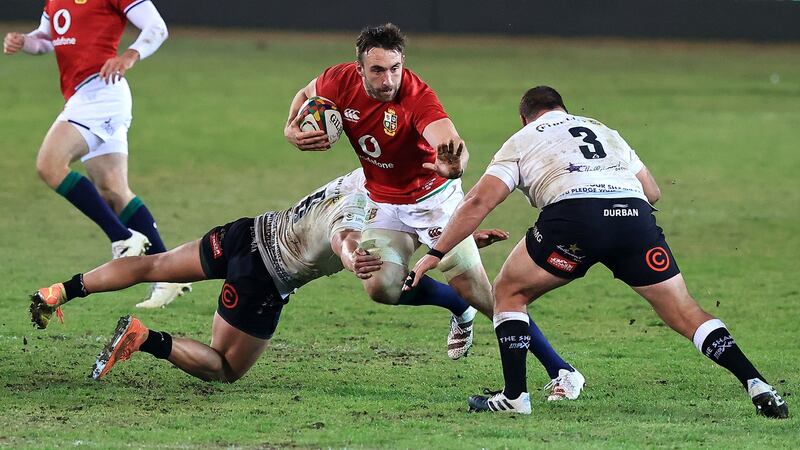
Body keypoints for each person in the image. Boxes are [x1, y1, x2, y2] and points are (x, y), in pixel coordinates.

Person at [406, 86, 789, 418]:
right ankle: (756, 383)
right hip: (633, 219)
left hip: (576, 220)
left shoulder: (522, 140)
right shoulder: (604, 130)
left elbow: (477, 203)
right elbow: (652, 192)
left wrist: (436, 252)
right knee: (686, 312)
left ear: (525, 118)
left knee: (509, 291)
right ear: (564, 109)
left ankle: (515, 397)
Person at [283, 24, 584, 399]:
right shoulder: (338, 81)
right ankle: (454, 304)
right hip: (384, 200)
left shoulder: (416, 97)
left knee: (486, 297)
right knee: (380, 287)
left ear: (402, 63)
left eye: (394, 68)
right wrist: (290, 129)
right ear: (359, 69)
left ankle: (563, 370)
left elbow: (449, 139)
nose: (388, 78)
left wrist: (453, 165)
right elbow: (305, 93)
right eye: (377, 70)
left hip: (435, 204)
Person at [29, 169, 502, 382]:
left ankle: (63, 290)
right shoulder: (368, 206)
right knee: (226, 367)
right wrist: (354, 255)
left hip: (246, 232)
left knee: (154, 263)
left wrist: (450, 242)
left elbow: (407, 227)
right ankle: (144, 338)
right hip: (265, 278)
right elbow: (349, 236)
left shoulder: (363, 175)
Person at [3, 0, 190, 307]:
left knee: (49, 164)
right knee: (114, 191)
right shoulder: (55, 2)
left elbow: (157, 27)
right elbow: (46, 41)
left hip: (102, 93)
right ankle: (169, 276)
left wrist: (129, 56)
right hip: (86, 95)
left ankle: (123, 238)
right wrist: (25, 41)